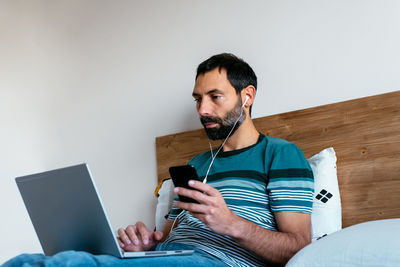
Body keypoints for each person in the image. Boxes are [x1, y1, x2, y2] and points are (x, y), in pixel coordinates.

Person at [3, 53, 314, 267]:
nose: (202, 109)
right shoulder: (197, 163)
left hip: (219, 261)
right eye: (197, 99)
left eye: (214, 97)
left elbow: (299, 247)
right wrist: (146, 245)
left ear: (247, 96)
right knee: (31, 260)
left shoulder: (280, 153)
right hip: (170, 257)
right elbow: (170, 238)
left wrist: (230, 222)